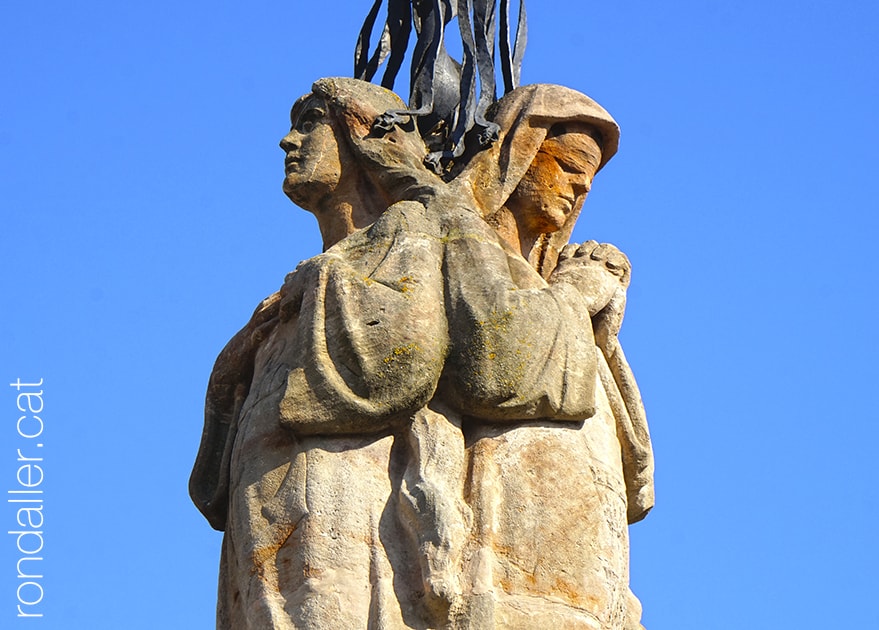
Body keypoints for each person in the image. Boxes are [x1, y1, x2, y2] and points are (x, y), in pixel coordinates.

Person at [191, 77, 648, 629]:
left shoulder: (417, 243)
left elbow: (459, 366)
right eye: (569, 166)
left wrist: (573, 296)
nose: (288, 141)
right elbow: (210, 481)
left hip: (493, 536)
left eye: (310, 122)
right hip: (293, 517)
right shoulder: (326, 281)